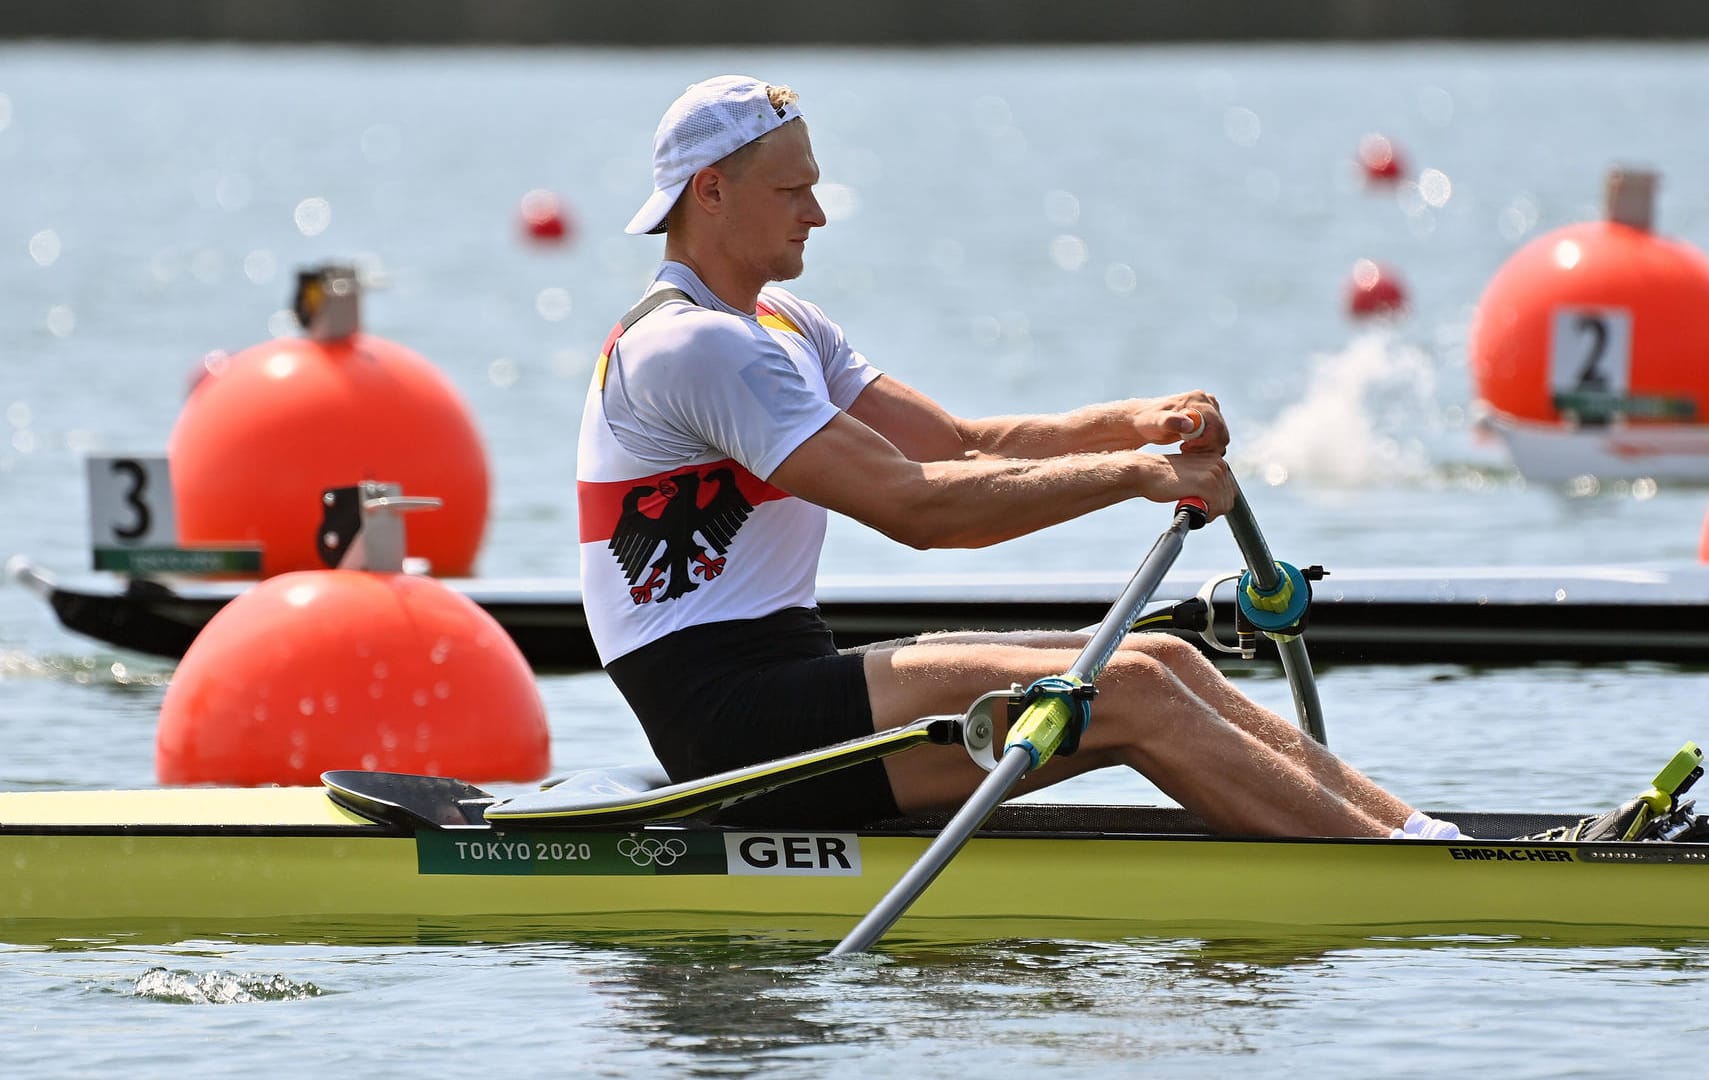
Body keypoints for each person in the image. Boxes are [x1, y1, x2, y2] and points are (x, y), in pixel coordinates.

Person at [578, 74, 1463, 840]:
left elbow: (959, 445)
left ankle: (1421, 834)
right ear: (712, 192)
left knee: (1171, 664)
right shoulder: (690, 346)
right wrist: (1131, 477)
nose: (816, 212)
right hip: (729, 722)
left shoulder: (780, 325)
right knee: (1133, 693)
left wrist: (1135, 424)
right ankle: (1429, 876)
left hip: (788, 674)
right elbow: (918, 509)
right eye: (792, 191)